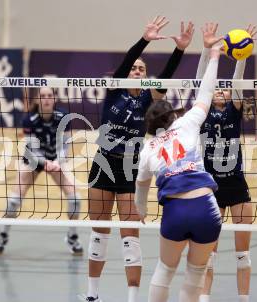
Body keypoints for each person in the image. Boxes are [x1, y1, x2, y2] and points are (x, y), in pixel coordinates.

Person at [81, 16, 194, 302]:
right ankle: (93, 295)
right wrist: (144, 39)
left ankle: (133, 297)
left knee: (130, 237)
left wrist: (179, 49)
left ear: (146, 75)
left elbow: (166, 76)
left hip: (130, 167)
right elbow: (128, 59)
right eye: (133, 68)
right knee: (99, 233)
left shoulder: (148, 99)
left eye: (141, 68)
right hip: (103, 162)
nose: (136, 70)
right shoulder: (115, 90)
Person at [134, 26, 223, 302]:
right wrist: (215, 54)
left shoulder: (148, 147)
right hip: (206, 208)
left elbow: (141, 185)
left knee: (164, 269)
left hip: (175, 209)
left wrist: (141, 209)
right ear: (172, 117)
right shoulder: (186, 124)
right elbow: (206, 93)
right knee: (196, 273)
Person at [197, 24, 257, 302]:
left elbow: (237, 81)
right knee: (209, 253)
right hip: (211, 188)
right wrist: (209, 50)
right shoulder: (203, 112)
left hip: (237, 186)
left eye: (224, 90)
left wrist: (242, 54)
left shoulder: (233, 112)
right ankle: (205, 298)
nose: (219, 90)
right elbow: (202, 82)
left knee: (243, 254)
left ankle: (243, 298)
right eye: (216, 89)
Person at [0, 87, 83, 256]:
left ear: (55, 98)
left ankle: (72, 236)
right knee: (14, 200)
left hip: (55, 160)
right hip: (34, 160)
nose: (47, 99)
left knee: (75, 199)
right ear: (37, 100)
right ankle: (2, 235)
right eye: (43, 96)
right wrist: (45, 162)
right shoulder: (29, 119)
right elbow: (31, 150)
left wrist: (56, 162)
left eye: (50, 95)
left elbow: (66, 145)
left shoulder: (63, 117)